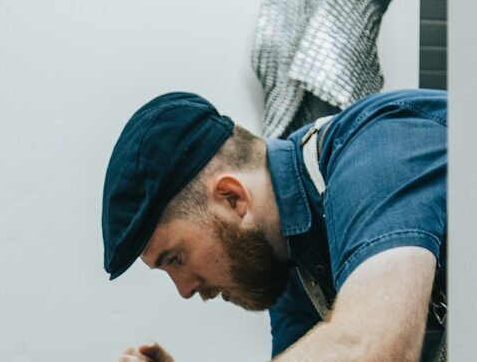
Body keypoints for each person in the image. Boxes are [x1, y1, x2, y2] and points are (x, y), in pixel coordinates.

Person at [101, 89, 446, 362]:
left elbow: (374, 349)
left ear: (232, 197)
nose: (184, 289)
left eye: (175, 258)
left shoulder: (377, 151)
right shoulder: (286, 258)